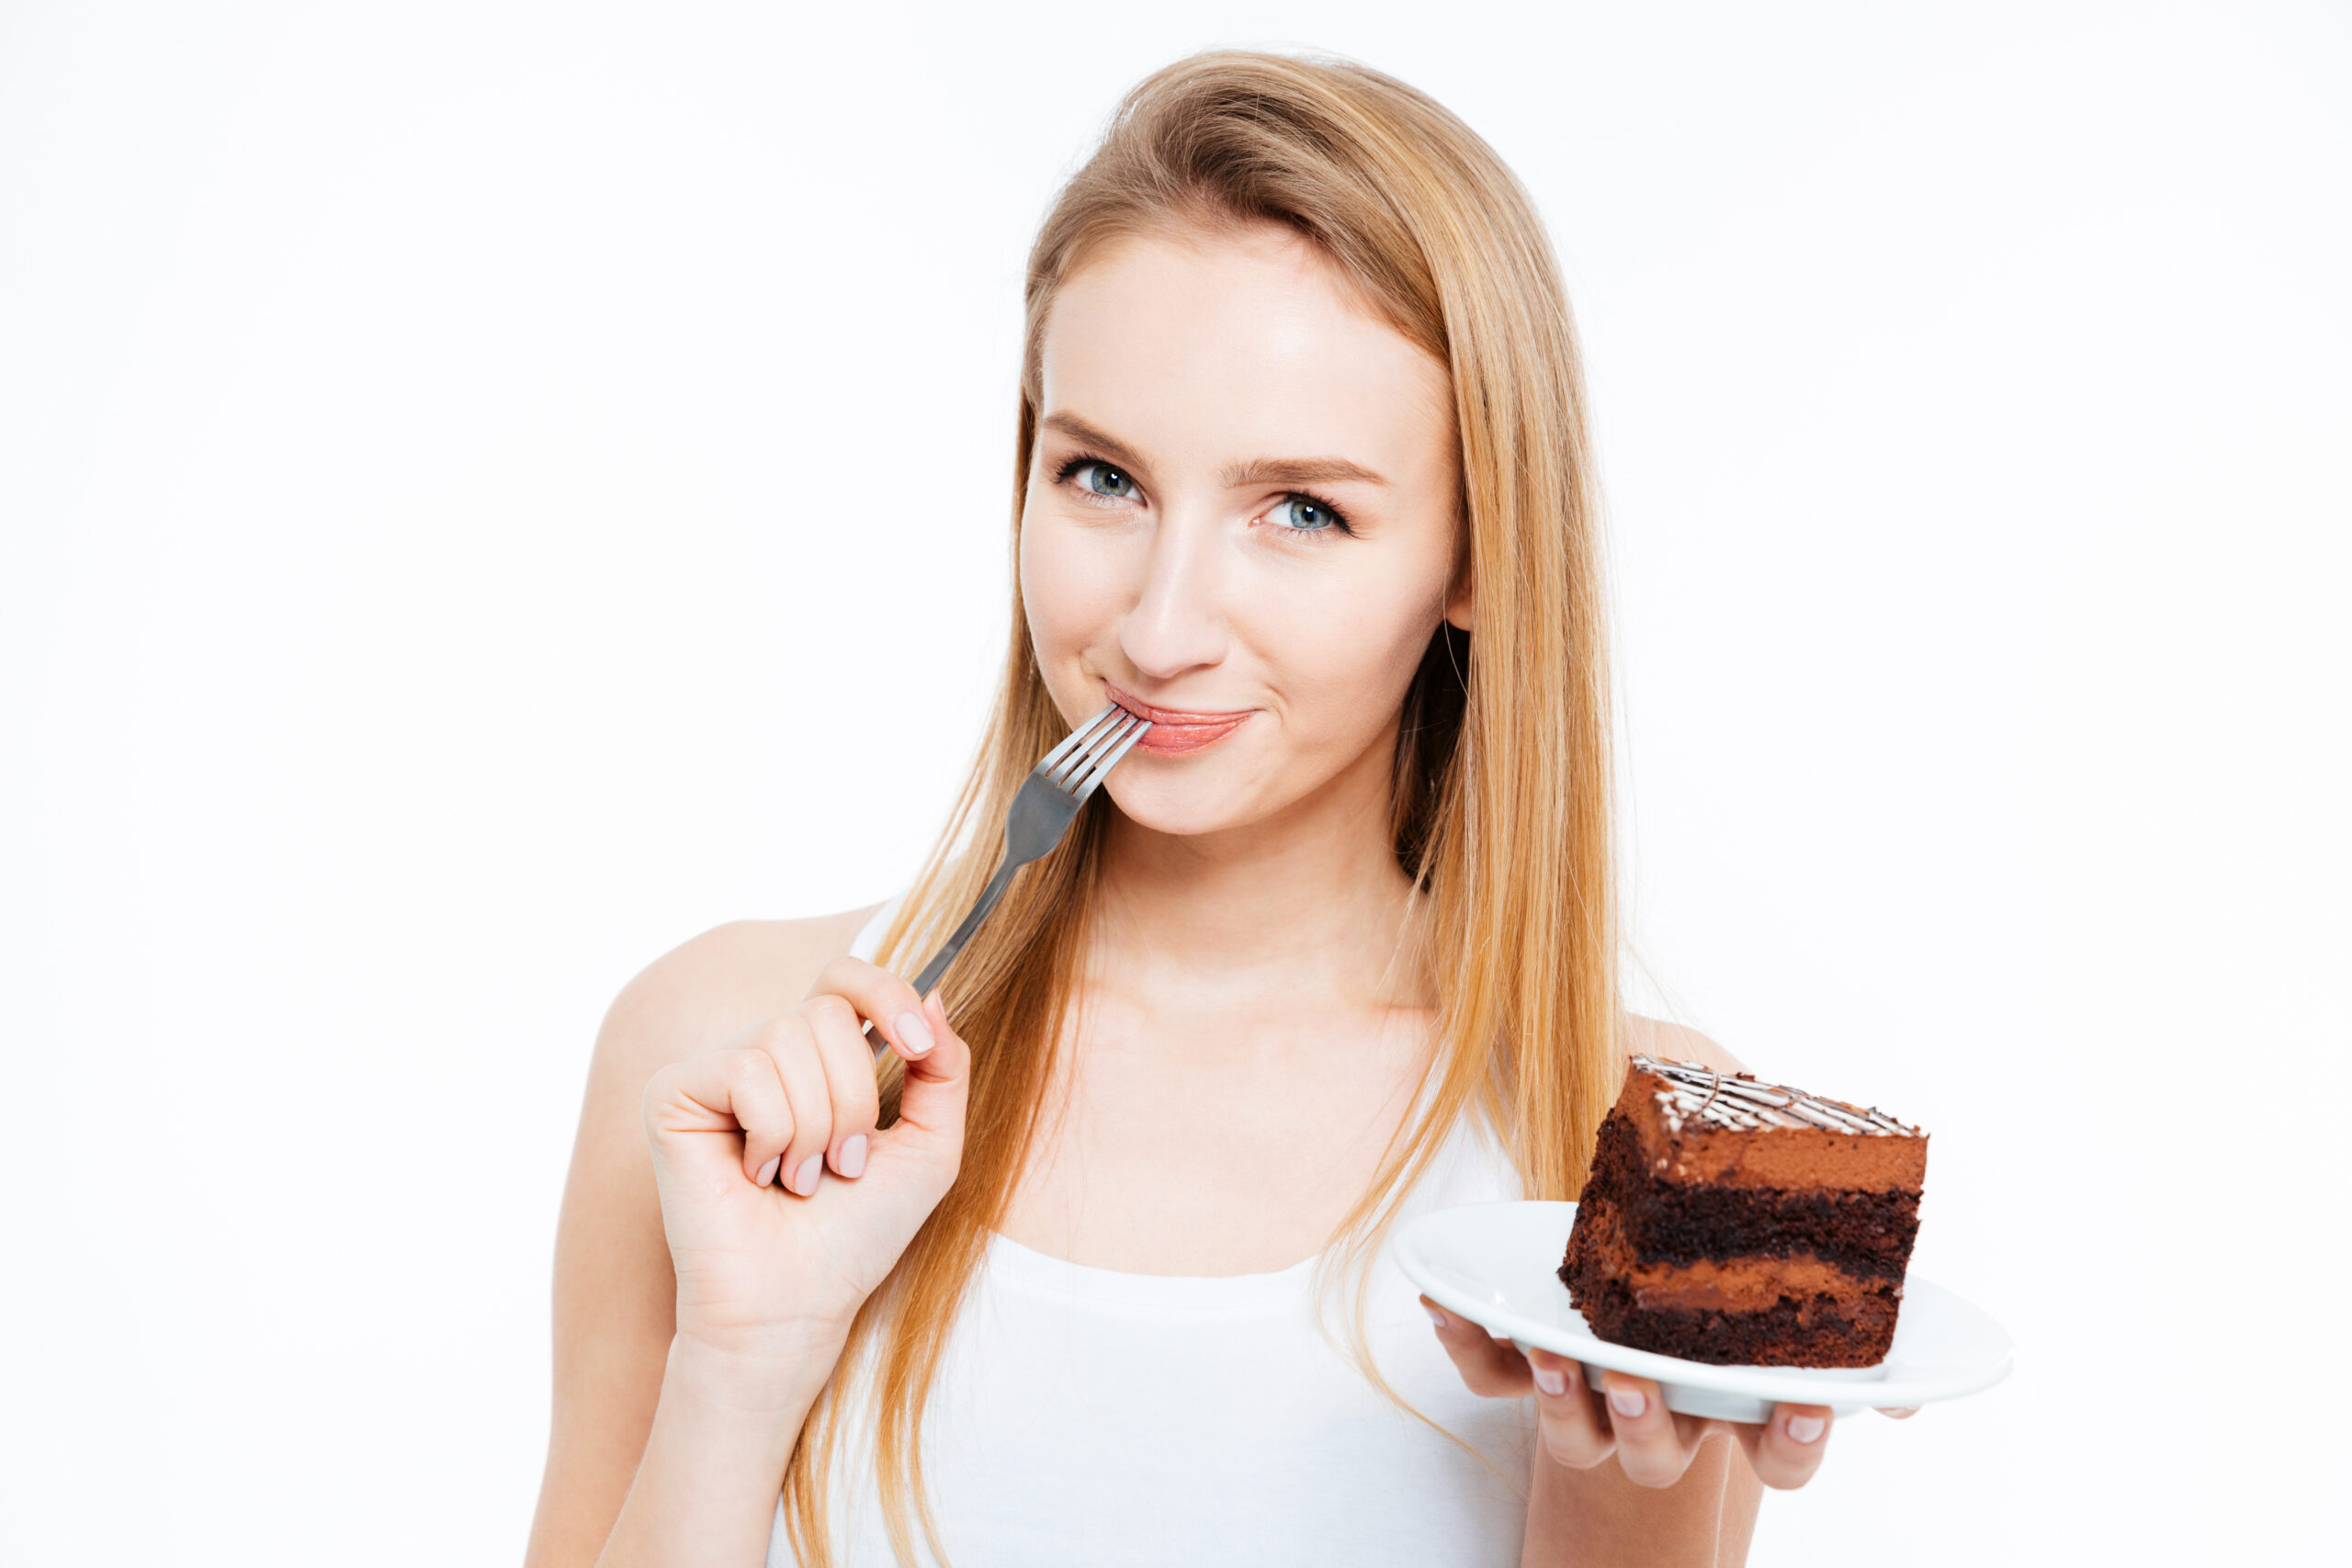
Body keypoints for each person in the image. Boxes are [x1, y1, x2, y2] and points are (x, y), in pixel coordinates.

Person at [525, 49, 1883, 1568]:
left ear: (1480, 557)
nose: (1162, 626)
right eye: (1102, 477)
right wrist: (740, 1360)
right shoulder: (720, 1056)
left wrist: (1622, 1491)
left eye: (1301, 510)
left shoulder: (1682, 1150)